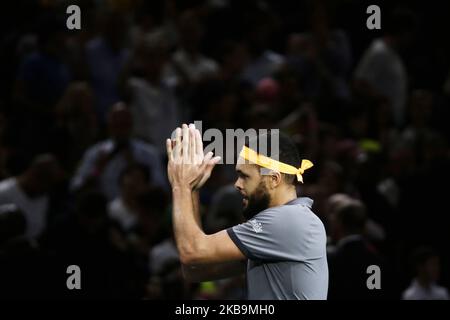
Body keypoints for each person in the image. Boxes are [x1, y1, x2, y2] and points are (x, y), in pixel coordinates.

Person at [166, 124, 328, 300]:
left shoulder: (288, 220)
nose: (237, 184)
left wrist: (180, 185)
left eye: (245, 176)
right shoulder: (282, 227)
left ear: (273, 179)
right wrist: (191, 189)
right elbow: (195, 270)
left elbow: (192, 252)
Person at [70, 102, 166, 200]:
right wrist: (97, 170)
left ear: (132, 124)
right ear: (109, 125)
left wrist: (135, 167)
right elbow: (76, 187)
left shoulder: (149, 153)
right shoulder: (95, 153)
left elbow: (161, 189)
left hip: (140, 211)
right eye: (117, 124)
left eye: (124, 124)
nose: (121, 129)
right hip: (104, 210)